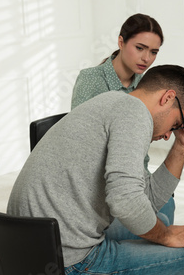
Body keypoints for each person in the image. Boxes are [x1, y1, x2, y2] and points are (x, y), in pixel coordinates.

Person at [8, 65, 184, 274]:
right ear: (168, 98)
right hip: (71, 262)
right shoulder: (135, 114)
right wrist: (166, 236)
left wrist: (182, 145)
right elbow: (126, 202)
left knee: (161, 221)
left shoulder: (113, 103)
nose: (169, 134)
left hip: (29, 249)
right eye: (176, 124)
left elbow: (147, 201)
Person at [71, 13, 175, 226]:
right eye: (140, 48)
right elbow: (80, 143)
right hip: (102, 184)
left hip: (137, 175)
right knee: (160, 222)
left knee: (167, 205)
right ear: (121, 42)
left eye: (153, 52)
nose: (146, 58)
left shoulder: (147, 84)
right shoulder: (91, 80)